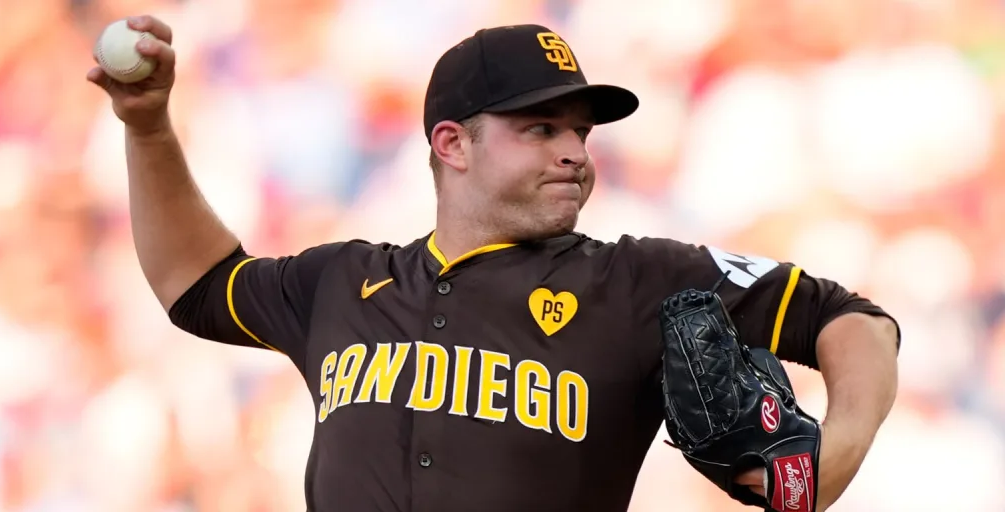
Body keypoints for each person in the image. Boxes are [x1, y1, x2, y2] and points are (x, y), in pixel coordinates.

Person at [87, 16, 901, 512]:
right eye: (541, 129)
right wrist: (149, 128)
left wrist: (825, 466)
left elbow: (853, 321)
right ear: (453, 144)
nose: (575, 153)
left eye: (581, 131)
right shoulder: (341, 283)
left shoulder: (641, 280)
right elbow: (194, 284)